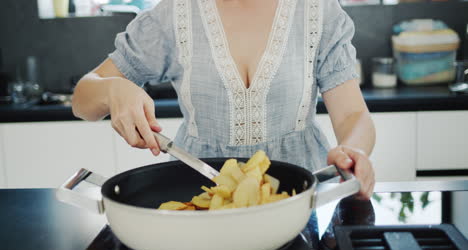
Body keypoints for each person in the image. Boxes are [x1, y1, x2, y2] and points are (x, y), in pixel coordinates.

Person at [72, 0, 376, 199]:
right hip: (199, 198)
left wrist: (353, 151)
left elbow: (351, 114)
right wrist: (113, 89)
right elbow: (82, 100)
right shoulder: (173, 15)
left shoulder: (318, 12)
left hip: (301, 199)